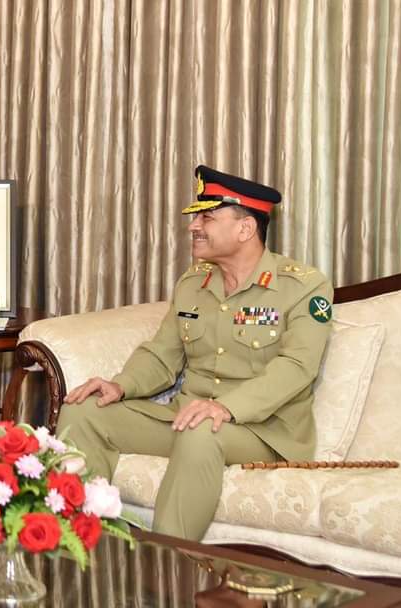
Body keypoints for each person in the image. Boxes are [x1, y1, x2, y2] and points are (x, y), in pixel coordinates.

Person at [57, 165, 333, 542]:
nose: (193, 226)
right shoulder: (194, 283)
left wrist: (227, 407)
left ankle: (167, 564)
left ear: (245, 228)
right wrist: (120, 386)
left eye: (207, 217)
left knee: (203, 429)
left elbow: (297, 367)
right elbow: (162, 354)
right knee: (83, 410)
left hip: (264, 432)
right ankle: (80, 546)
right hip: (189, 421)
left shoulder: (302, 286)